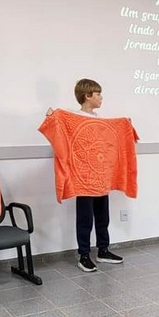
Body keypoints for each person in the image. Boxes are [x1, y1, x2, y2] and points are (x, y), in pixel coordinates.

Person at [45, 79, 125, 273]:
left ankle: (103, 250)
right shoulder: (75, 118)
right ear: (87, 96)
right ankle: (84, 255)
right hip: (83, 179)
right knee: (85, 219)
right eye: (98, 94)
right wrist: (52, 118)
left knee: (103, 216)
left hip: (100, 177)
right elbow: (61, 135)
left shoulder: (99, 119)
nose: (101, 98)